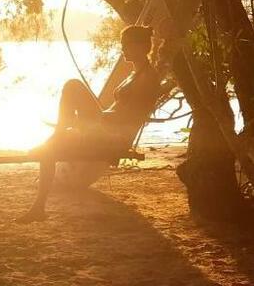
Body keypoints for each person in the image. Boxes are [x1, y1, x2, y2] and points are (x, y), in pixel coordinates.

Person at [17, 25, 161, 223]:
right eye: (122, 45)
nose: (123, 49)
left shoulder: (148, 77)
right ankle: (38, 207)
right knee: (49, 149)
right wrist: (84, 120)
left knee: (73, 86)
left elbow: (130, 116)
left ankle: (58, 134)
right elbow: (117, 110)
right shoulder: (134, 74)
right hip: (108, 129)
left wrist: (94, 119)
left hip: (115, 137)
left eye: (127, 45)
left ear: (140, 46)